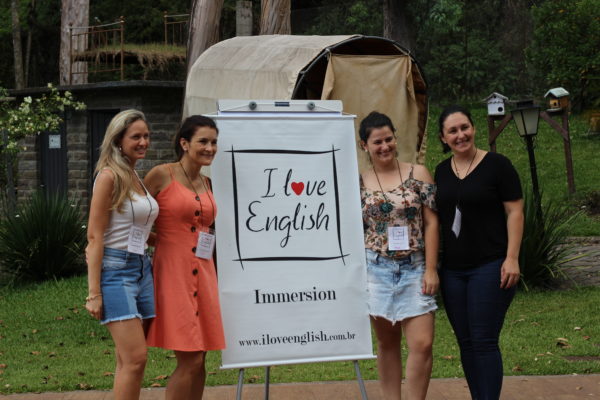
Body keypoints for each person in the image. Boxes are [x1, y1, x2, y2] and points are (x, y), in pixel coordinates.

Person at [434, 105, 523, 400]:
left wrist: (512, 258)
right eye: (453, 131)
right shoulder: (441, 171)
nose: (461, 135)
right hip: (453, 272)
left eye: (465, 128)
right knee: (467, 343)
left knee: (484, 341)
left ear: (473, 128)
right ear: (443, 138)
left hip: (490, 266)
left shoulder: (498, 165)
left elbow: (515, 212)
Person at [359, 111, 439, 400]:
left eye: (389, 139)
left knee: (422, 343)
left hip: (414, 266)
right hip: (376, 267)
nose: (385, 146)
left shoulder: (419, 173)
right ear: (365, 146)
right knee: (387, 343)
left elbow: (431, 222)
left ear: (395, 137)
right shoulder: (359, 180)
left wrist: (431, 269)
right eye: (377, 142)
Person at [145, 115, 225, 400]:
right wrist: (160, 241)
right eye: (203, 141)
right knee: (189, 359)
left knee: (201, 359)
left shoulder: (207, 182)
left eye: (214, 142)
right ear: (184, 143)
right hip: (173, 274)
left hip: (204, 274)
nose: (210, 148)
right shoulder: (161, 175)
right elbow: (133, 217)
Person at [85, 109, 159, 400]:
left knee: (127, 361)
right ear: (118, 140)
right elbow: (95, 236)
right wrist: (94, 293)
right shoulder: (109, 176)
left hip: (142, 268)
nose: (143, 142)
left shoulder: (134, 175)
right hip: (116, 271)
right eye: (136, 137)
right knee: (135, 358)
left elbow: (137, 228)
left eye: (146, 136)